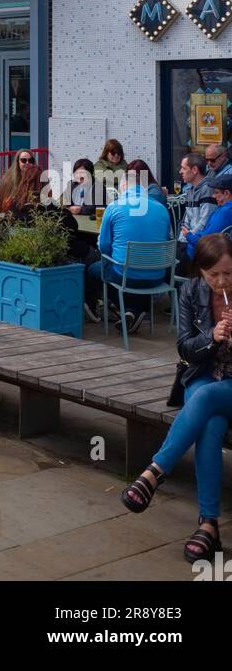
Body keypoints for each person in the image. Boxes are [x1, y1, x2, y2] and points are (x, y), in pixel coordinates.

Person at [120, 234, 232, 563]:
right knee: (210, 424)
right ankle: (209, 525)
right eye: (214, 275)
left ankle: (154, 472)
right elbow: (184, 347)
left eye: (229, 273)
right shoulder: (190, 291)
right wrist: (211, 339)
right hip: (203, 378)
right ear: (200, 271)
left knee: (208, 399)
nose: (222, 281)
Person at [84, 168, 171, 334]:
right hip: (157, 276)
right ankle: (134, 310)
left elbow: (103, 247)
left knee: (94, 270)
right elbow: (166, 241)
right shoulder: (161, 208)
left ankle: (126, 309)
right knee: (135, 269)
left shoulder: (114, 207)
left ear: (123, 185)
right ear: (143, 187)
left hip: (126, 276)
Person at [178, 153, 216, 264]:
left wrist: (187, 238)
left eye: (184, 168)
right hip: (188, 242)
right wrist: (181, 240)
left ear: (194, 170)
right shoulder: (190, 190)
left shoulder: (208, 189)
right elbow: (187, 221)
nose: (180, 171)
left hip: (199, 245)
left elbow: (204, 221)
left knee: (166, 265)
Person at [182, 182, 232, 260]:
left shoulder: (224, 212)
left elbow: (207, 242)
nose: (213, 196)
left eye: (216, 193)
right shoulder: (223, 209)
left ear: (226, 193)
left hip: (203, 256)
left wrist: (188, 235)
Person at [94, 138, 127, 203]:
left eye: (119, 153)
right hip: (104, 199)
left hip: (123, 199)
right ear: (106, 152)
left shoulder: (125, 164)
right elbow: (102, 179)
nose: (116, 155)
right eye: (113, 153)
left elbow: (130, 179)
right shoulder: (98, 165)